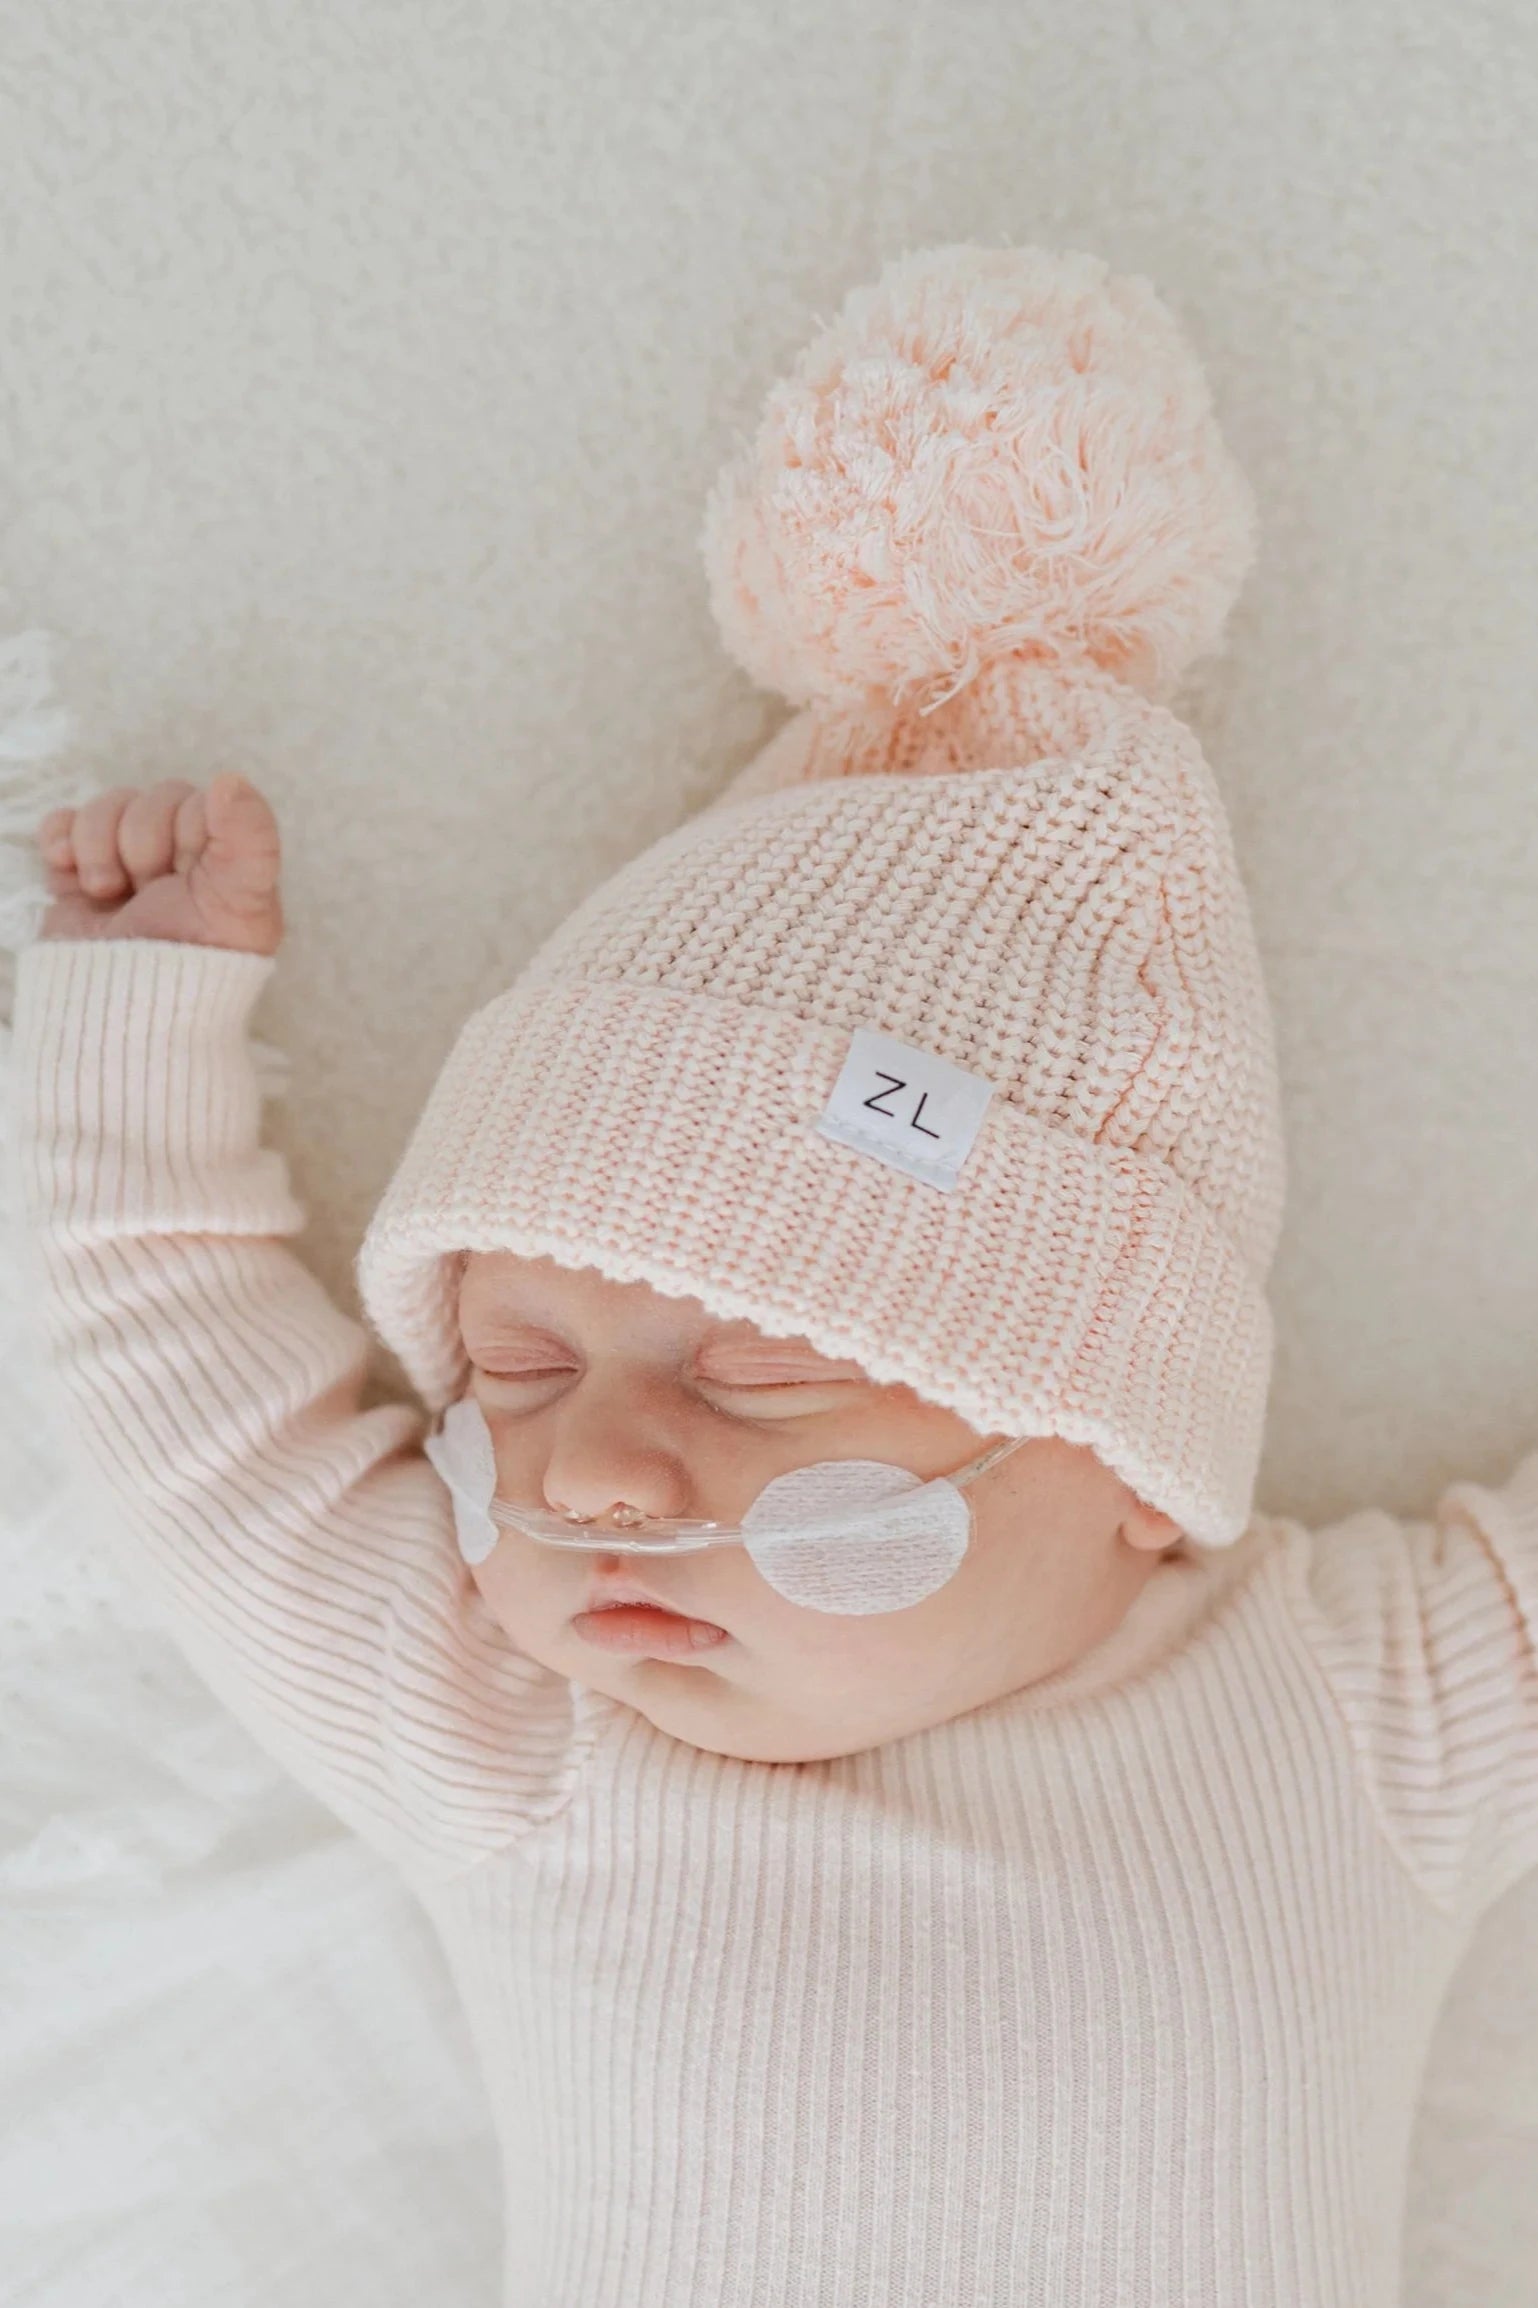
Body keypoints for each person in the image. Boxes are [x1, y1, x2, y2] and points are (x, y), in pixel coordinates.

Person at [9, 243, 1536, 2307]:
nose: (599, 1477)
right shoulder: (531, 1731)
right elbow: (211, 1445)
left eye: (747, 1379)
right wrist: (133, 1036)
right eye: (518, 1363)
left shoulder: (1363, 1716)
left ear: (1117, 1442)